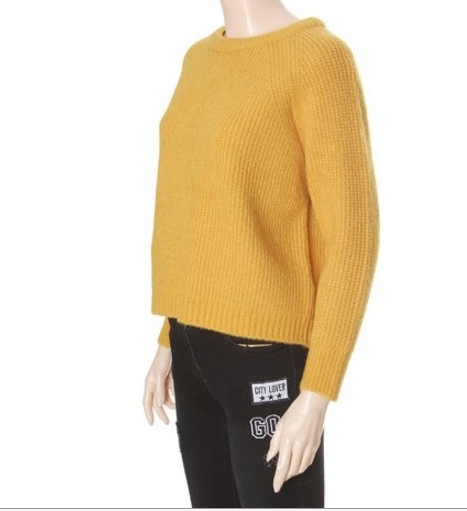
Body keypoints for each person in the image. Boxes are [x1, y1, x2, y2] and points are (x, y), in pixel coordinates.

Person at [143, 0, 380, 507]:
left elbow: (352, 235)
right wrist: (168, 337)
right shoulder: (199, 59)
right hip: (189, 347)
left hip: (264, 356)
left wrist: (317, 392)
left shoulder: (318, 58)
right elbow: (199, 206)